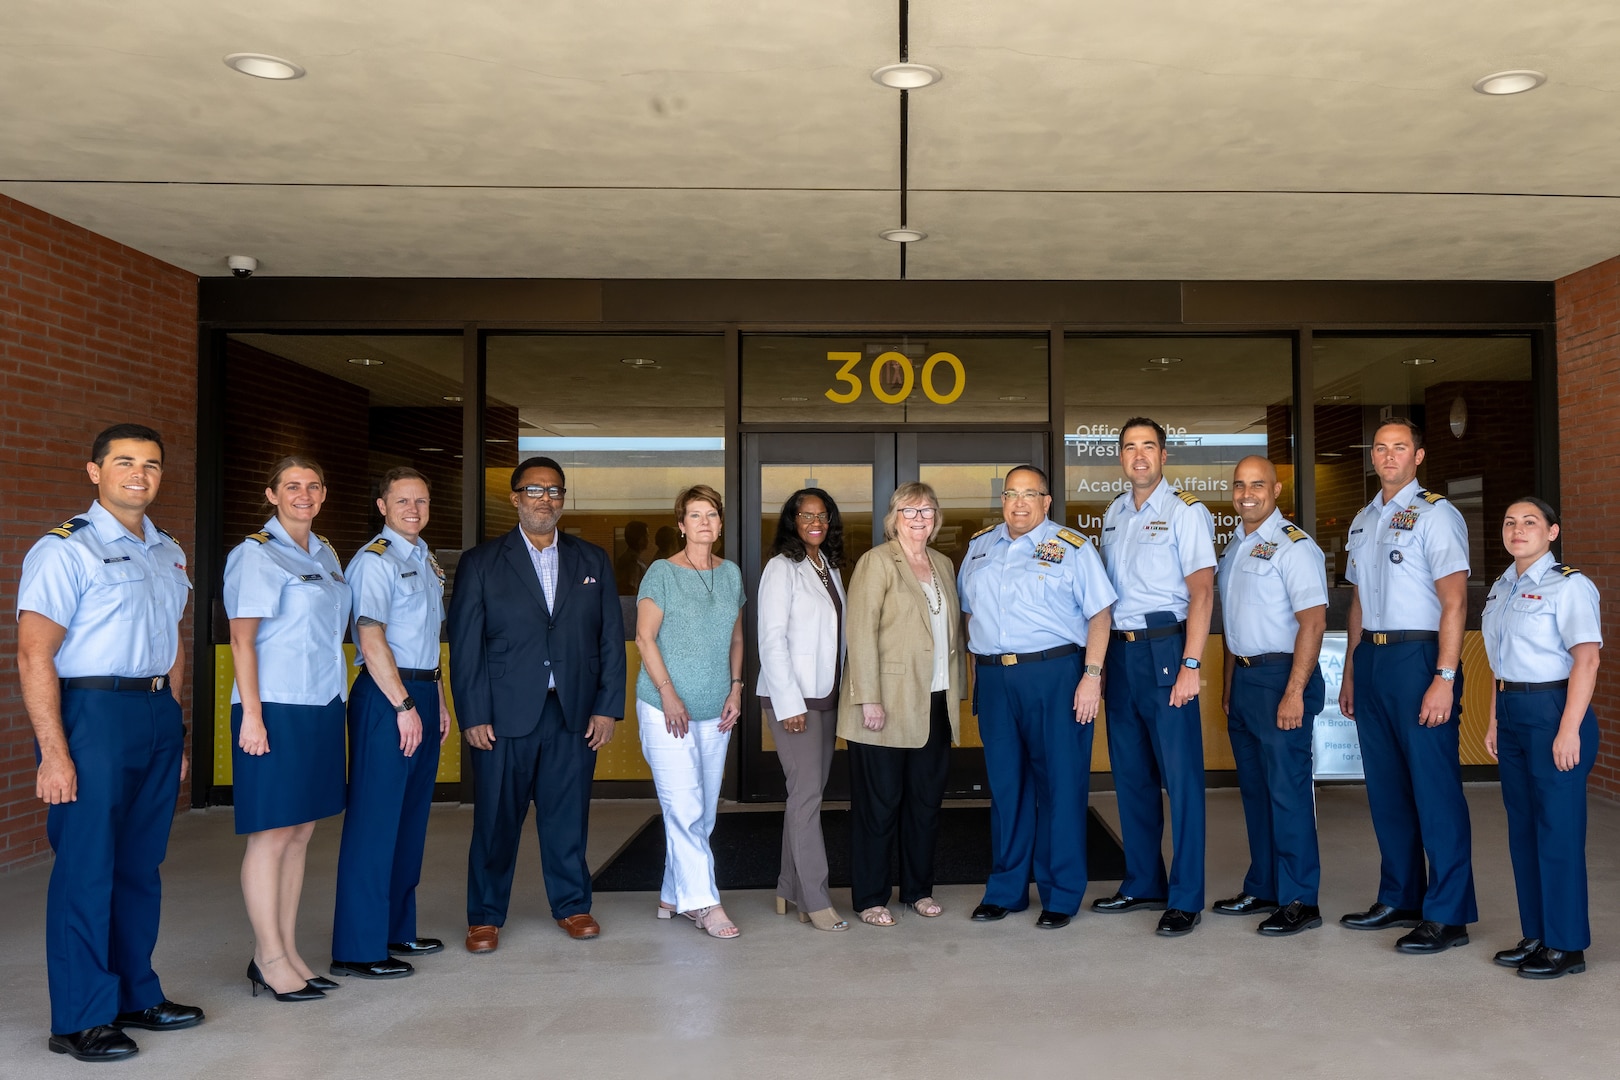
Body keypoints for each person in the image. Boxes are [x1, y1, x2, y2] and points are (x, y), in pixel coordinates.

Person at [16, 424, 204, 1062]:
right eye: (124, 462)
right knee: (86, 869)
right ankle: (79, 1018)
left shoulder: (167, 550)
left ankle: (134, 994)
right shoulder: (64, 549)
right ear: (93, 471)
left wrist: (173, 727)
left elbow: (173, 644)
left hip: (153, 711)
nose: (140, 474)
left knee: (139, 867)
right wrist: (55, 750)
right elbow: (33, 653)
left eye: (151, 465)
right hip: (91, 714)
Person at [449, 456, 624, 953]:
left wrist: (607, 706)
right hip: (503, 717)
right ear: (515, 498)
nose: (544, 499)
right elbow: (466, 647)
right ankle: (484, 916)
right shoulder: (481, 562)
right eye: (534, 490)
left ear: (562, 501)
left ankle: (572, 905)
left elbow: (610, 637)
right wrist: (475, 714)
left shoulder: (591, 560)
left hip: (571, 711)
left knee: (566, 817)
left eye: (553, 491)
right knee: (495, 820)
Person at [1338, 418, 1477, 953]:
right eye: (1380, 447)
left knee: (1434, 789)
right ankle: (1401, 895)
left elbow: (1455, 603)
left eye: (1400, 447)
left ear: (1419, 457)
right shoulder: (1364, 517)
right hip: (1372, 659)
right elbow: (1358, 603)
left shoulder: (1437, 514)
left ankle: (1449, 913)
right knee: (1387, 787)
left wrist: (1444, 676)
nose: (1388, 455)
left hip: (1420, 658)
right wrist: (1353, 669)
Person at [958, 465, 1115, 930]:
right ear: (1002, 500)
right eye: (1011, 494)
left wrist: (1091, 676)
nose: (1020, 503)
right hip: (996, 679)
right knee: (1007, 788)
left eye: (1031, 494)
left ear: (1047, 501)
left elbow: (1101, 613)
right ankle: (1006, 889)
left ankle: (1061, 893)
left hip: (1055, 675)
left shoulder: (1072, 548)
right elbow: (969, 615)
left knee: (1061, 787)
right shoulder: (980, 546)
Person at [223, 457, 351, 997]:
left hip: (321, 703)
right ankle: (267, 956)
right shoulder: (254, 553)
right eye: (293, 487)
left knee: (300, 833)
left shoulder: (324, 551)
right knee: (272, 833)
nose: (305, 494)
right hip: (273, 708)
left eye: (314, 486)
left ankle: (286, 950)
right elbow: (242, 640)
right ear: (271, 494)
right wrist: (252, 716)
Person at [1094, 417, 1216, 937]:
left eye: (1148, 446)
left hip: (1167, 649)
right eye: (1129, 447)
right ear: (1120, 457)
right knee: (1132, 776)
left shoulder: (1186, 512)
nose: (1138, 456)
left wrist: (1191, 665)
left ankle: (1185, 895)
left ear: (1164, 455)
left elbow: (1202, 594)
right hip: (1121, 655)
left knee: (1181, 780)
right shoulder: (1115, 512)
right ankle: (1144, 880)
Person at [330, 468, 452, 978]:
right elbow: (370, 637)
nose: (413, 509)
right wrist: (404, 705)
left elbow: (427, 641)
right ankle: (358, 948)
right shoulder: (374, 562)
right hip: (388, 696)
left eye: (421, 501)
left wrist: (437, 700)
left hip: (421, 688)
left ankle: (396, 928)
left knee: (409, 820)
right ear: (382, 506)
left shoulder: (423, 559)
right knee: (375, 821)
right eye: (402, 501)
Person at [1483, 498, 1601, 979]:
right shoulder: (1501, 586)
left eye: (1530, 522)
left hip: (1554, 711)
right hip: (1511, 711)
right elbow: (1499, 664)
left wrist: (1569, 728)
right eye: (1510, 522)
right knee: (1523, 830)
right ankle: (1537, 934)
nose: (1518, 529)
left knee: (1558, 831)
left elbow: (1586, 660)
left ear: (1552, 532)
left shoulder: (1569, 586)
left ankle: (1567, 945)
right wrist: (1493, 720)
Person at [838, 482, 963, 928]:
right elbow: (860, 632)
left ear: (936, 518)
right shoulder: (877, 561)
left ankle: (917, 891)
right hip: (885, 704)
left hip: (934, 701)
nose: (919, 518)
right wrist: (868, 697)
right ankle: (871, 897)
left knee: (925, 804)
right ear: (894, 518)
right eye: (909, 510)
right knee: (879, 805)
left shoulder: (944, 564)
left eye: (927, 510)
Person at [1214, 456, 1328, 937]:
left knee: (1288, 793)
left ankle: (1301, 898)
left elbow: (1314, 622)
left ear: (1276, 489)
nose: (1247, 493)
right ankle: (1263, 885)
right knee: (1257, 793)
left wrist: (1294, 692)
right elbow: (1232, 625)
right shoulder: (1235, 546)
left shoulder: (1294, 547)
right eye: (1239, 485)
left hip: (1282, 678)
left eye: (1257, 484)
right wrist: (1227, 686)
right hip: (1244, 682)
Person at [635, 485, 747, 939]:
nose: (704, 522)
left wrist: (736, 688)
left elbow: (737, 639)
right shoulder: (661, 573)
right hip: (667, 710)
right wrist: (668, 694)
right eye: (694, 515)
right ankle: (705, 903)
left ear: (720, 524)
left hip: (716, 708)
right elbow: (645, 638)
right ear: (681, 525)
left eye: (712, 515)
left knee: (703, 811)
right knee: (682, 806)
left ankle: (671, 894)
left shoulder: (732, 573)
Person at [757, 488, 849, 933]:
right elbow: (771, 639)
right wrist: (788, 702)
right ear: (791, 520)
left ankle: (786, 886)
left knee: (805, 795)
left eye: (822, 515)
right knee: (808, 796)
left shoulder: (828, 566)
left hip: (825, 695)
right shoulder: (781, 568)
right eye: (805, 514)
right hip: (794, 700)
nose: (815, 521)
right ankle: (815, 898)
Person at [616, 520, 651, 594]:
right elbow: (631, 590)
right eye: (646, 536)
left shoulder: (631, 558)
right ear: (640, 539)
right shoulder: (633, 562)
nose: (648, 539)